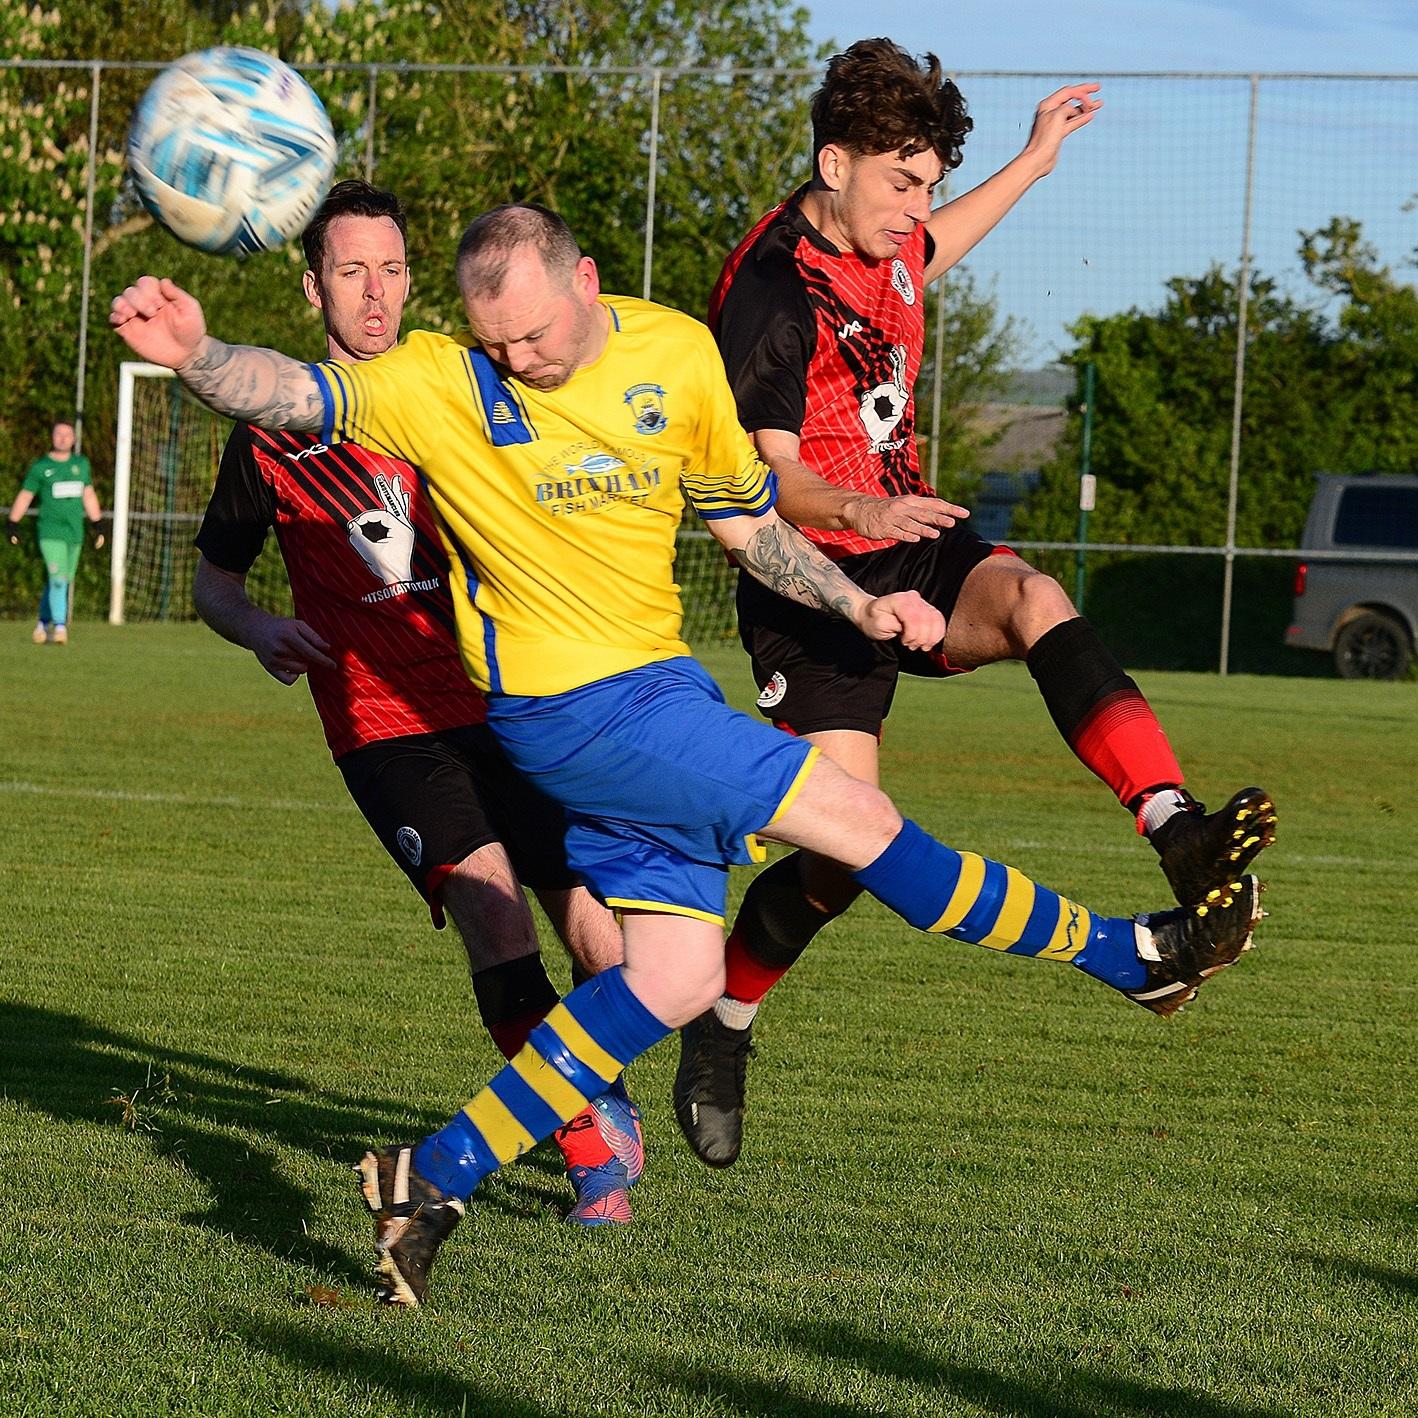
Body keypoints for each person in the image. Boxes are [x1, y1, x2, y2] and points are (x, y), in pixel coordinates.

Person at [109, 204, 1267, 1309]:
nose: (518, 360)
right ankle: (1127, 954)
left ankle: (433, 1177)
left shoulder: (673, 351)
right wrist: (199, 349)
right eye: (496, 342)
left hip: (657, 683)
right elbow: (287, 389)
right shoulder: (435, 381)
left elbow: (747, 524)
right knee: (854, 822)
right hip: (570, 712)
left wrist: (858, 608)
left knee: (672, 978)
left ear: (584, 284)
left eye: (534, 335)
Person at [678, 37, 1278, 1166]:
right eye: (901, 184)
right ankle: (722, 1022)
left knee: (1035, 597)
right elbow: (768, 491)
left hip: (911, 531)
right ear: (832, 163)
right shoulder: (765, 292)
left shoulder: (889, 233)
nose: (918, 211)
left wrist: (1034, 160)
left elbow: (927, 252)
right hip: (810, 580)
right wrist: (856, 516)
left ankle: (1177, 831)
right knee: (837, 857)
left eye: (928, 187)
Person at [190, 180, 644, 1229]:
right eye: (352, 270)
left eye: (392, 268)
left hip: (514, 697)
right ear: (314, 287)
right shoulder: (268, 431)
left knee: (599, 932)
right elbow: (216, 578)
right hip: (384, 724)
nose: (376, 291)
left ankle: (590, 1082)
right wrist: (257, 626)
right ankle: (590, 1156)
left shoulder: (465, 382)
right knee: (492, 910)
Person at [6, 421, 106, 645]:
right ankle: (60, 627)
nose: (63, 438)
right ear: (52, 437)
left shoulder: (81, 465)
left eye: (67, 434)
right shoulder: (40, 467)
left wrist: (98, 523)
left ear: (73, 439)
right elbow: (25, 495)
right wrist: (13, 522)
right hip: (50, 532)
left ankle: (42, 623)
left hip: (74, 533)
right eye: (58, 434)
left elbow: (88, 494)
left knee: (60, 580)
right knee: (59, 580)